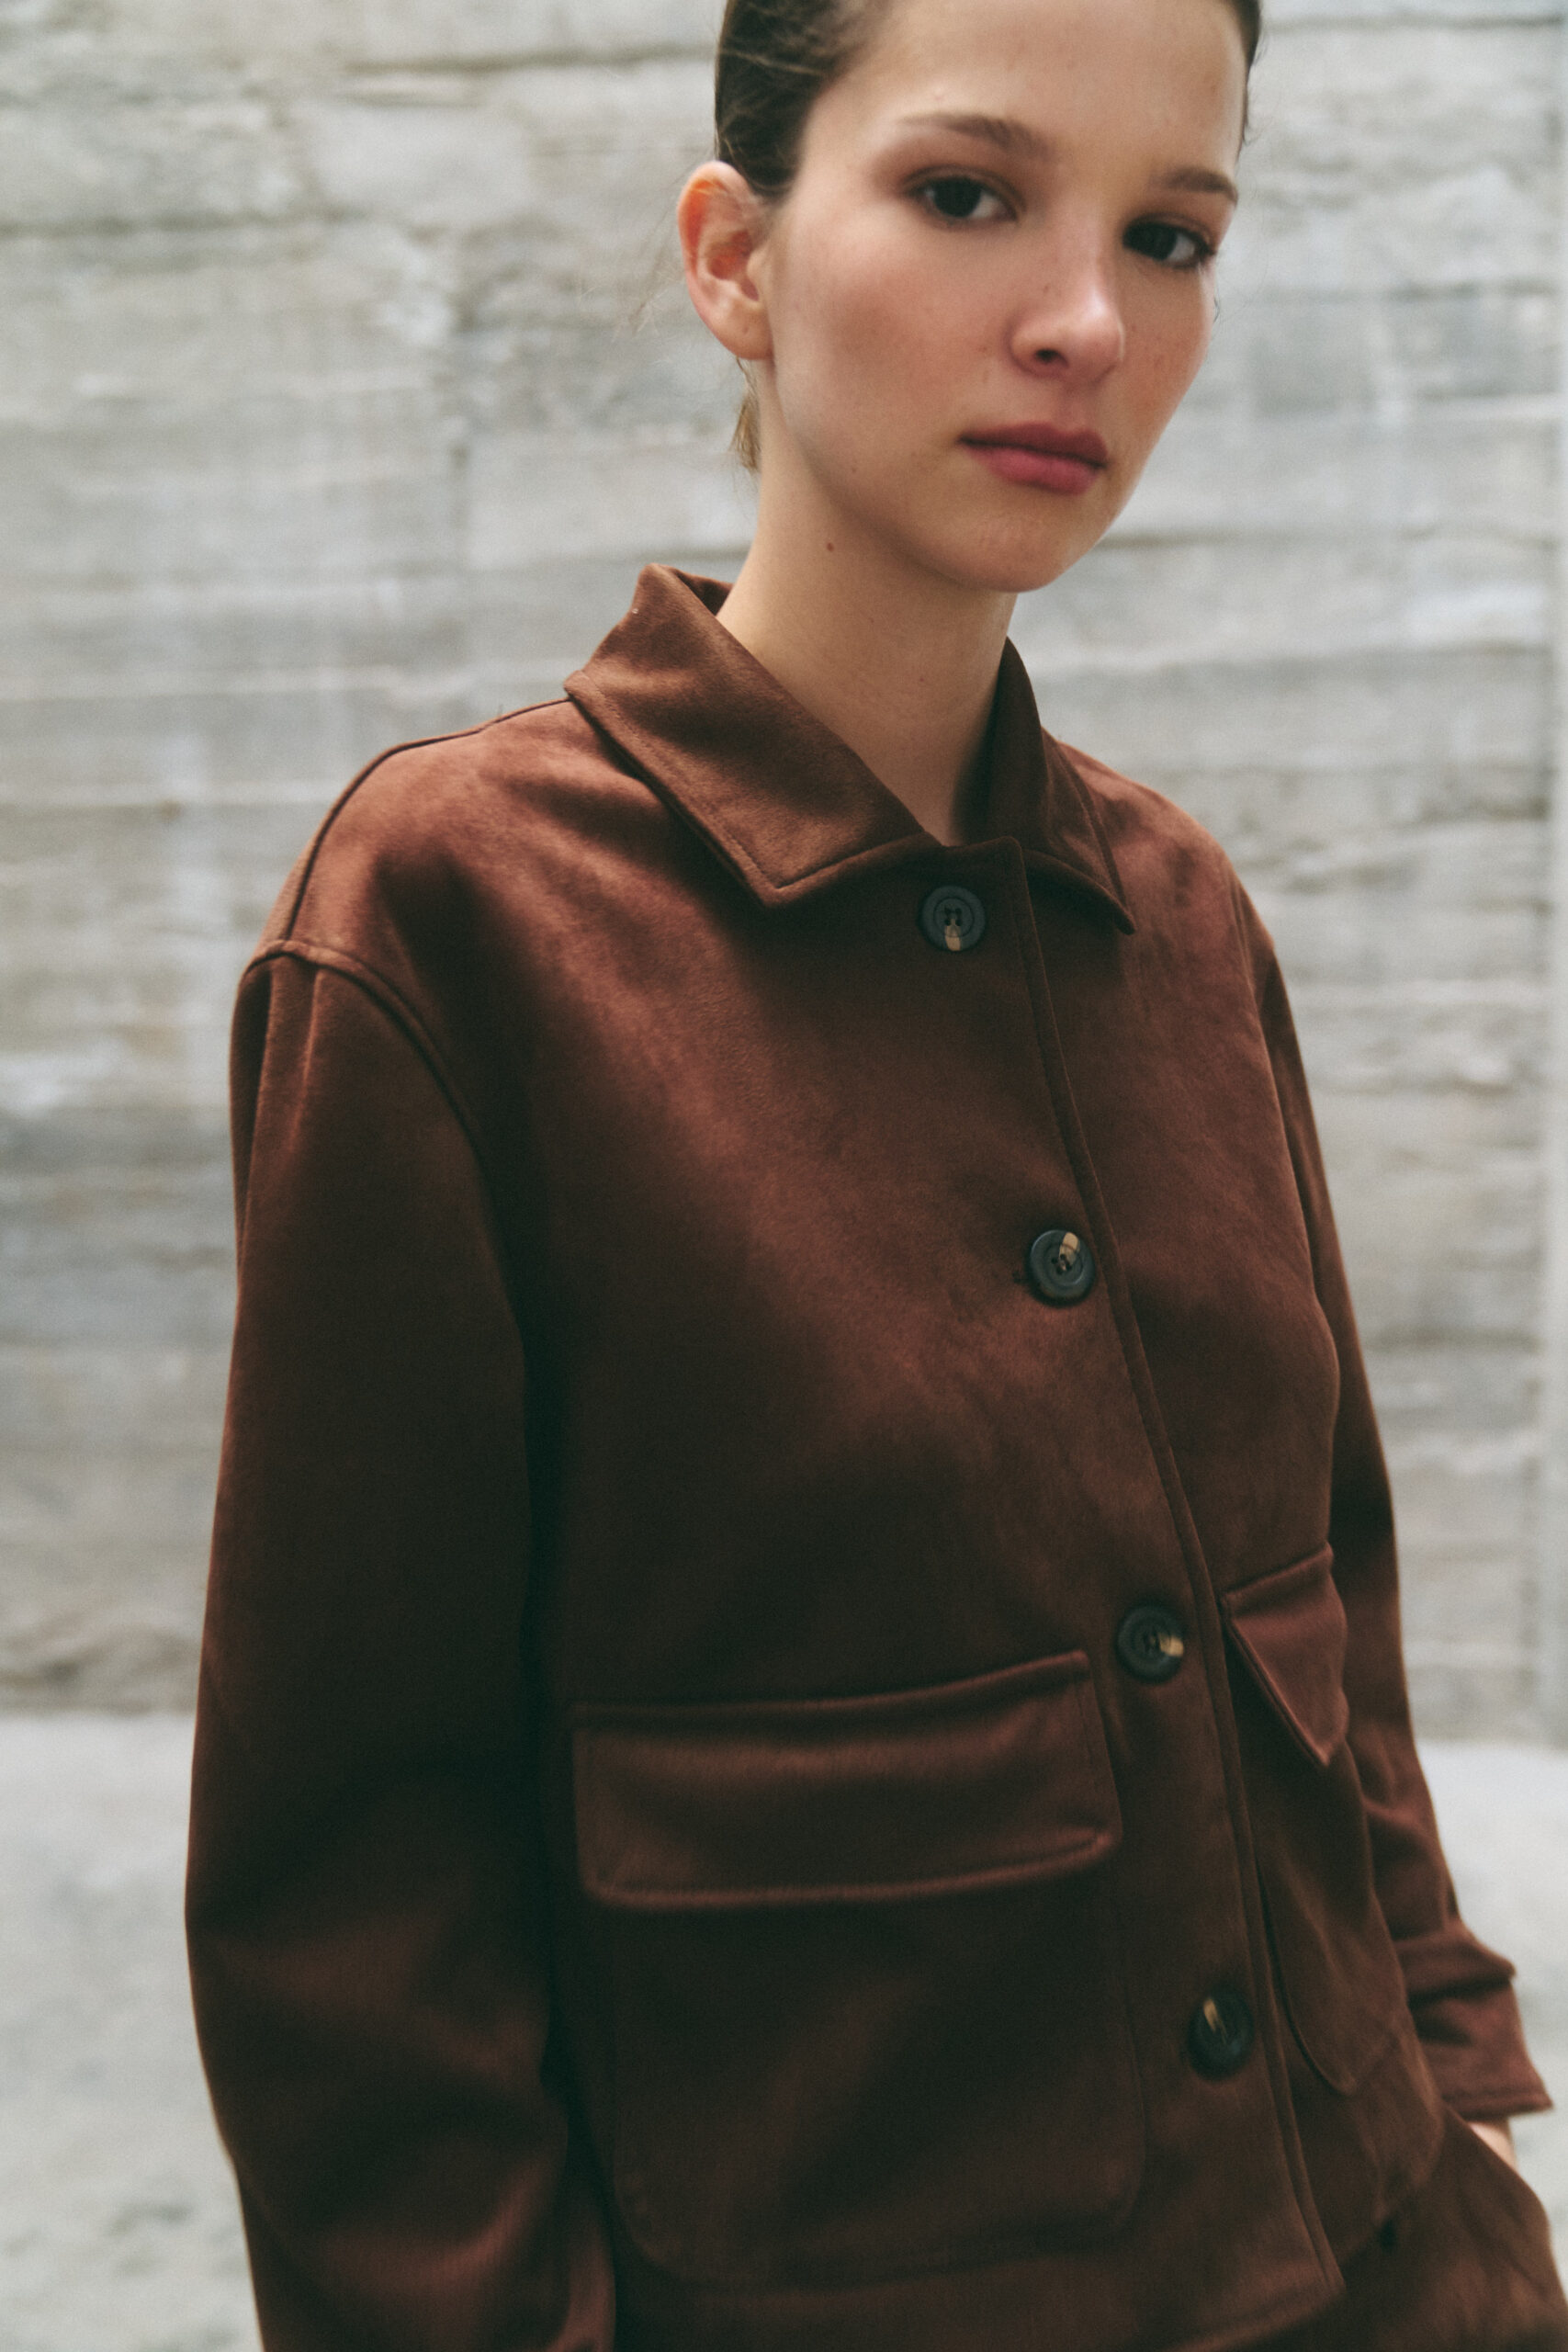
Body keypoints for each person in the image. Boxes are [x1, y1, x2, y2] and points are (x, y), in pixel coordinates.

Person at [185, 0, 1568, 2345]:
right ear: (734, 256)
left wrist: (1459, 2120)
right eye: (962, 193)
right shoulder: (457, 919)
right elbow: (355, 1895)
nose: (1085, 319)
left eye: (1170, 233)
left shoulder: (1175, 913)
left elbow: (1323, 1611)